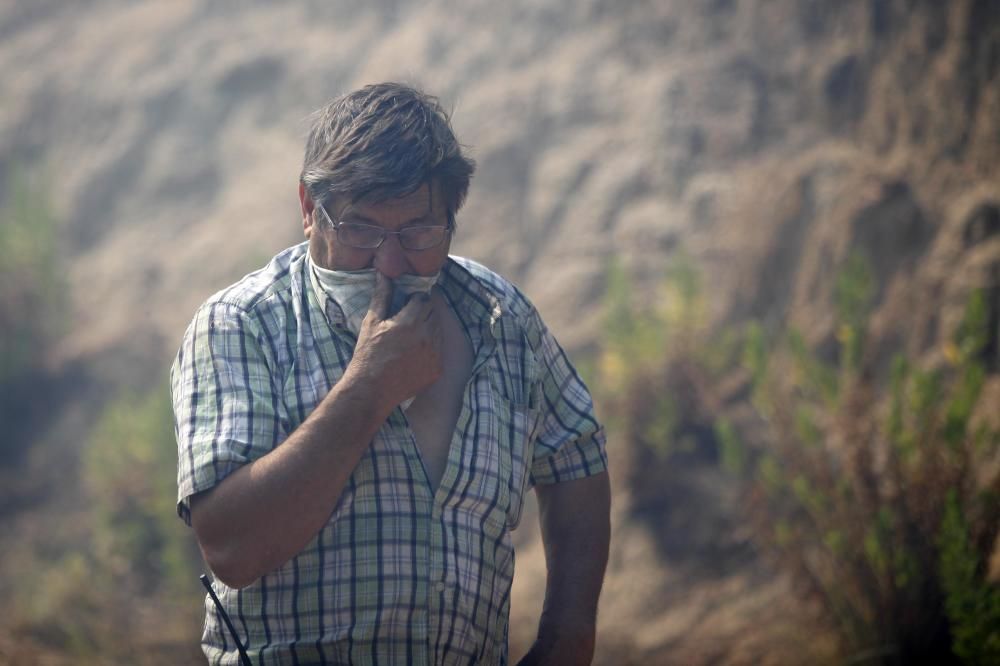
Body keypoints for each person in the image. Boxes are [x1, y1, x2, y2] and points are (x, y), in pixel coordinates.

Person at [171, 82, 610, 666]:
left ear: (452, 220)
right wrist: (370, 385)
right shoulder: (241, 324)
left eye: (418, 233)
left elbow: (577, 456)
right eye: (360, 230)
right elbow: (231, 546)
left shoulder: (500, 318)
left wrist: (568, 637)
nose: (390, 262)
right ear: (309, 209)